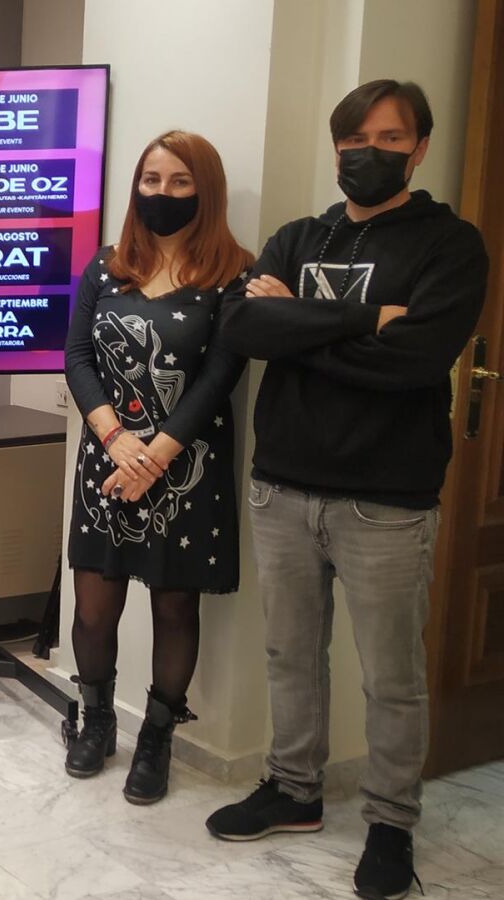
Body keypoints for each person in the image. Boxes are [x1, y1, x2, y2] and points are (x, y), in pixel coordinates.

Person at [206, 80, 488, 900]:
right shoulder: (300, 236)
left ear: (420, 148)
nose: (369, 152)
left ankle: (392, 823)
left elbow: (415, 362)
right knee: (289, 655)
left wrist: (297, 325)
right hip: (282, 487)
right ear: (336, 148)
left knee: (390, 675)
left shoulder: (449, 245)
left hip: (386, 499)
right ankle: (294, 791)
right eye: (355, 139)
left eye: (390, 138)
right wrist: (368, 319)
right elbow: (243, 326)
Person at [61, 131, 252, 804]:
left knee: (175, 608)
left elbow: (221, 375)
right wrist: (116, 441)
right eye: (151, 180)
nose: (161, 193)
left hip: (186, 466)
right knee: (93, 609)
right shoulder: (106, 265)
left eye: (178, 182)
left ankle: (157, 738)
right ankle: (96, 720)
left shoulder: (234, 274)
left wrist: (155, 456)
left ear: (205, 190)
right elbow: (77, 357)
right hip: (106, 463)